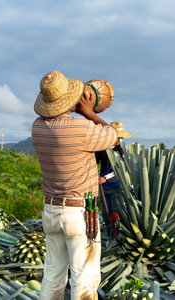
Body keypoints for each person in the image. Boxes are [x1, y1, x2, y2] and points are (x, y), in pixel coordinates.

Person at [31, 70, 118, 299]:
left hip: (51, 211)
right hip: (79, 213)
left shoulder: (37, 127)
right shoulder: (81, 129)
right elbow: (112, 136)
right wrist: (88, 112)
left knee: (53, 274)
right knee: (84, 278)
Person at [96, 121, 132, 249]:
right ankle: (110, 237)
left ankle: (117, 239)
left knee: (116, 213)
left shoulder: (122, 149)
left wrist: (105, 177)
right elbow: (95, 162)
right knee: (105, 213)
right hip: (103, 186)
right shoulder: (102, 148)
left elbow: (122, 169)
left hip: (117, 186)